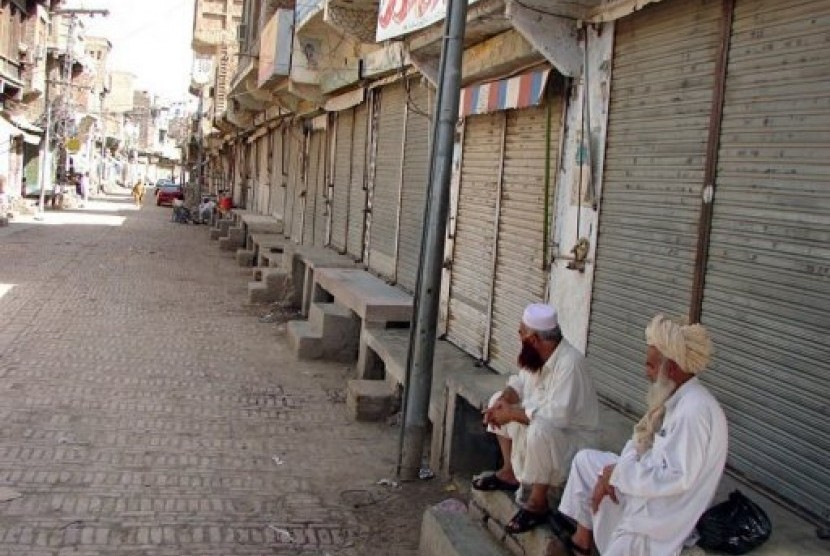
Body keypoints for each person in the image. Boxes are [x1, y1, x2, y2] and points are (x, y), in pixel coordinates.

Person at [557, 314, 728, 556]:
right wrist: (612, 474)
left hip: (664, 511)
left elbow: (677, 478)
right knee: (586, 462)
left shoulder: (694, 410)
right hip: (648, 485)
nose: (646, 372)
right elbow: (644, 446)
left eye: (650, 365)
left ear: (672, 368)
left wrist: (616, 475)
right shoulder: (678, 398)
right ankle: (581, 542)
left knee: (622, 532)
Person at [473, 303, 599, 534]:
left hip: (571, 440)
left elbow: (556, 417)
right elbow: (519, 383)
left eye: (521, 332)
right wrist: (505, 399)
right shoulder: (537, 355)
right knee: (496, 401)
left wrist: (511, 413)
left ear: (534, 339)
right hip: (545, 424)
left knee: (539, 429)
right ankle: (509, 472)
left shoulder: (570, 364)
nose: (518, 336)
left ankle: (538, 503)